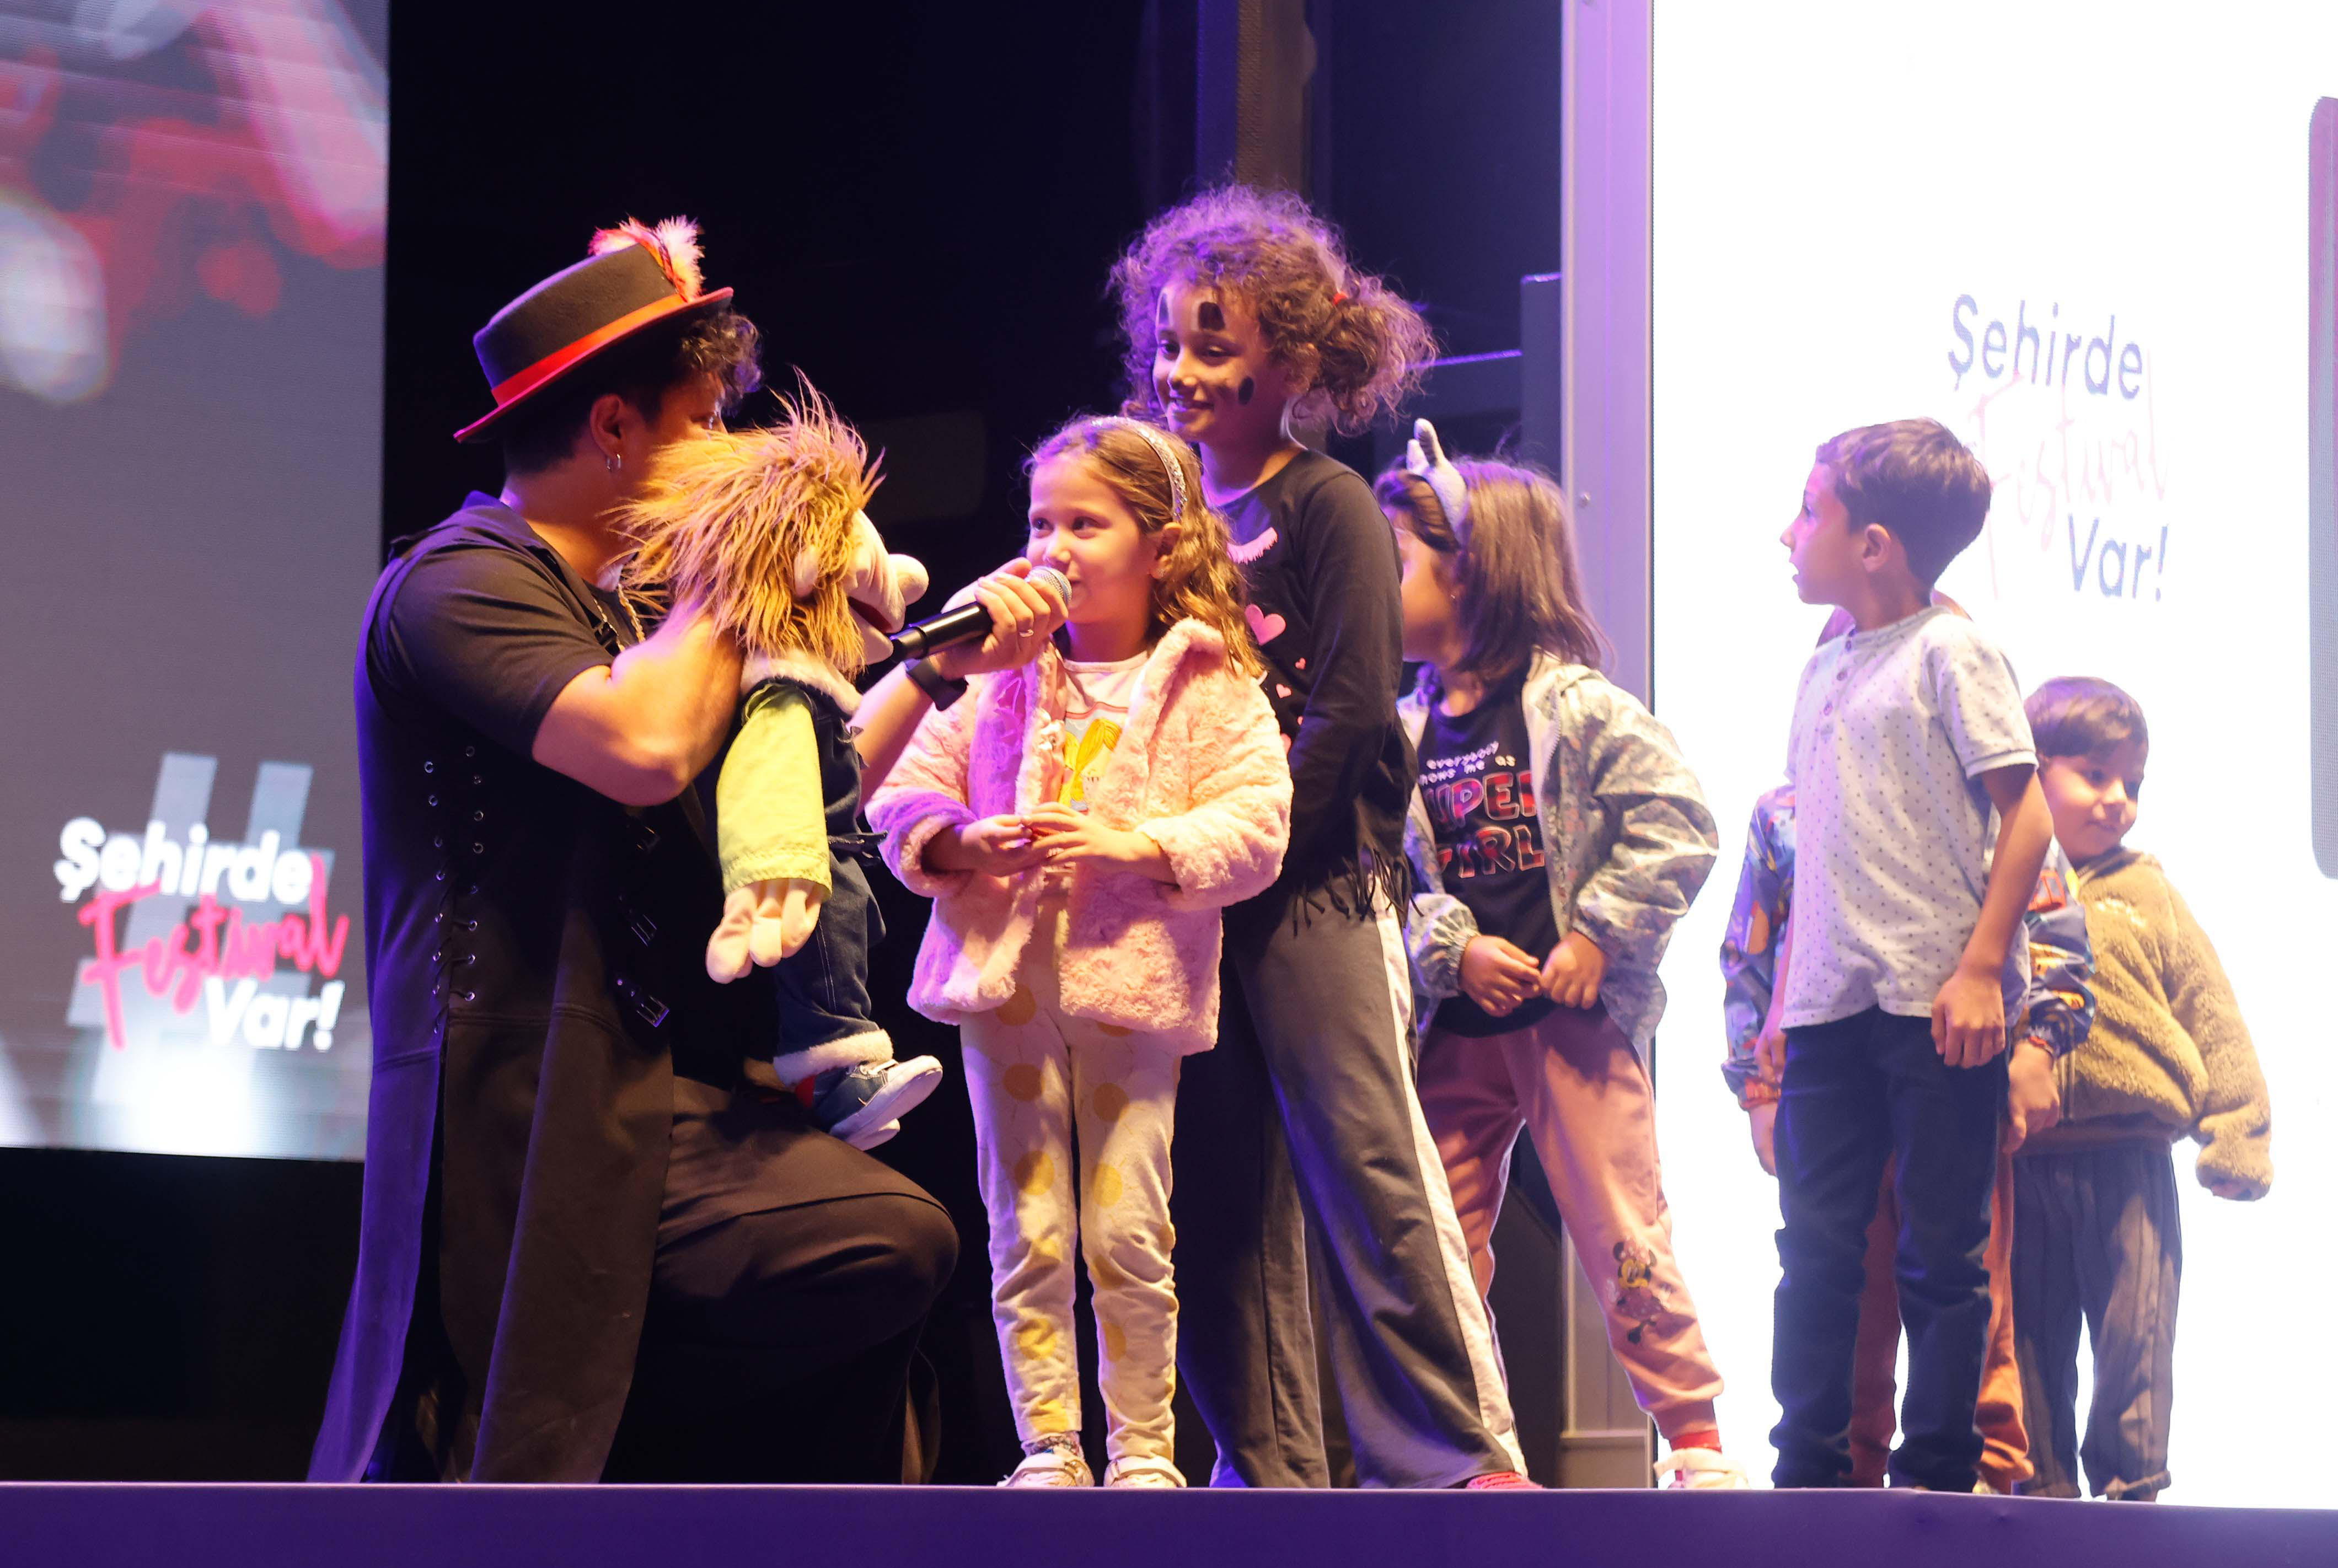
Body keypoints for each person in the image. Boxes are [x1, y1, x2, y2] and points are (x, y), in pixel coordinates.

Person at [310, 218, 1060, 1483]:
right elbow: (647, 748)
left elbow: (783, 789)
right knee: (877, 1241)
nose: (731, 454)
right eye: (706, 424)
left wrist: (935, 672)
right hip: (524, 1091)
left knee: (883, 1262)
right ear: (613, 427)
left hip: (655, 1082)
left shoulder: (649, 608)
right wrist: (750, 555)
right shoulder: (457, 584)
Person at [1111, 186, 1525, 1489]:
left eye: (1212, 344)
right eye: (1168, 342)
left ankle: (1452, 1456)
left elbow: (1348, 711)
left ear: (1290, 364)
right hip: (1194, 899)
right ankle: (1266, 1466)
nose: (1179, 370)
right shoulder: (1169, 519)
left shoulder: (1327, 502)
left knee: (1363, 1164)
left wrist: (1253, 856)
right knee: (1215, 1187)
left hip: (1309, 890)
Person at [868, 416, 1290, 1488]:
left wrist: (1136, 845)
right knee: (1029, 1227)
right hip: (1007, 990)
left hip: (1129, 992)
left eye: (1084, 524)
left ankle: (1143, 1449)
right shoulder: (994, 671)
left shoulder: (1207, 682)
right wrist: (959, 840)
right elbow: (901, 792)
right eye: (1039, 523)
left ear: (1162, 546)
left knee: (1127, 1230)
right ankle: (1049, 1445)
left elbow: (1256, 826)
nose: (1053, 546)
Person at [1381, 431, 1743, 1489]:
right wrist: (1454, 951)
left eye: (1398, 561)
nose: (1379, 585)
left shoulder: (1577, 708)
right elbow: (1385, 879)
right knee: (1437, 1241)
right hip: (1458, 1032)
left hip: (1570, 1025)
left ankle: (1694, 1438)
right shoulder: (1400, 732)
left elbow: (1679, 821)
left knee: (1619, 1223)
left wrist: (1595, 936)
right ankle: (1472, 1447)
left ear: (1470, 571)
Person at [1719, 603, 2098, 1490]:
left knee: (1962, 1276)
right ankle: (1838, 1487)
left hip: (1952, 1055)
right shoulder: (1784, 814)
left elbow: (2054, 929)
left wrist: (2037, 1048)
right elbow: (1752, 950)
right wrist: (1757, 1086)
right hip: (1829, 1062)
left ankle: (1980, 1477)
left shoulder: (1986, 803)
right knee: (1833, 1273)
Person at [1766, 417, 2057, 1493]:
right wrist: (1781, 1003)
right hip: (1827, 1010)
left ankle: (1936, 1475)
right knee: (1815, 1250)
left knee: (1942, 1255)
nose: (1787, 533)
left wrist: (1980, 969)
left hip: (1935, 1008)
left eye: (1809, 512)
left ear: (1874, 545)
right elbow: (1819, 851)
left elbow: (2027, 816)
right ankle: (1806, 1472)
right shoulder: (1822, 667)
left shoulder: (1950, 651)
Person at [2011, 676, 2272, 1501]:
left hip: (2129, 1158)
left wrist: (2239, 1132)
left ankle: (2132, 1501)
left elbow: (2212, 1011)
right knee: (2025, 1345)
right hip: (2019, 1158)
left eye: (2134, 783)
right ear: (2033, 770)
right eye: (2096, 775)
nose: (2119, 800)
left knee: (2136, 1342)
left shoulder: (2148, 891)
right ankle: (2041, 1506)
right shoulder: (1997, 881)